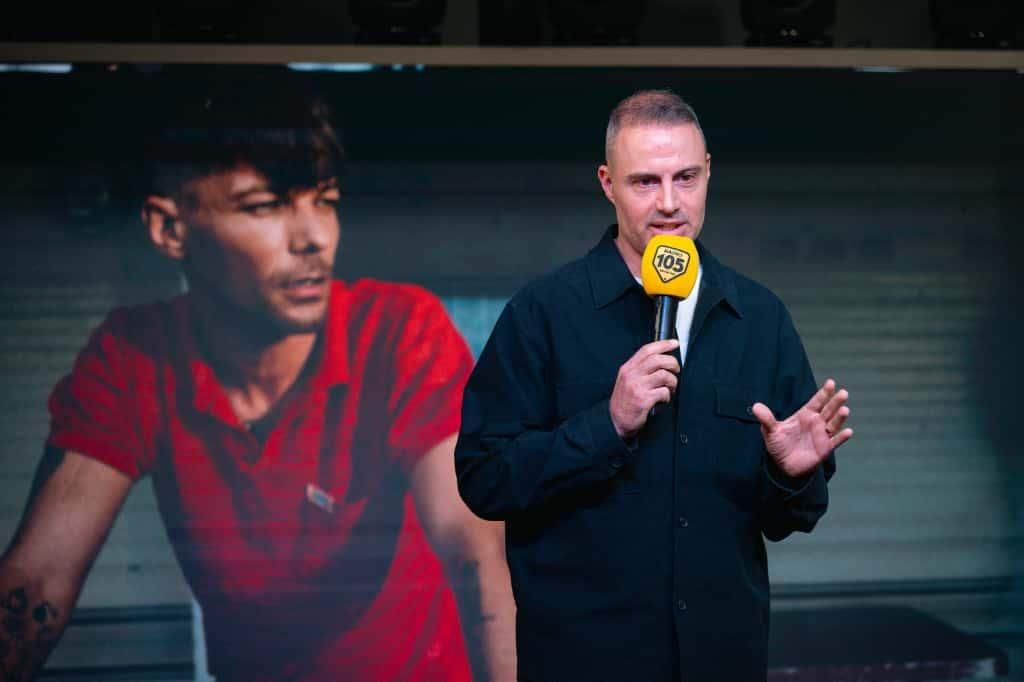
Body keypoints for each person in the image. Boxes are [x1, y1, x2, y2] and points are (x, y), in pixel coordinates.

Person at [0, 83, 515, 681]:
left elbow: (476, 554)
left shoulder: (397, 331)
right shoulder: (134, 356)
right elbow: (38, 582)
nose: (314, 238)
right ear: (170, 230)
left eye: (324, 200)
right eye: (265, 206)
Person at [455, 89, 853, 681]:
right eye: (645, 182)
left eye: (685, 178)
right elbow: (484, 478)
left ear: (708, 172)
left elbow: (790, 517)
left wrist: (790, 475)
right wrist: (606, 425)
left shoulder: (760, 319)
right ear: (607, 183)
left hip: (721, 663)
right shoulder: (543, 313)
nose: (669, 203)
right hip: (584, 664)